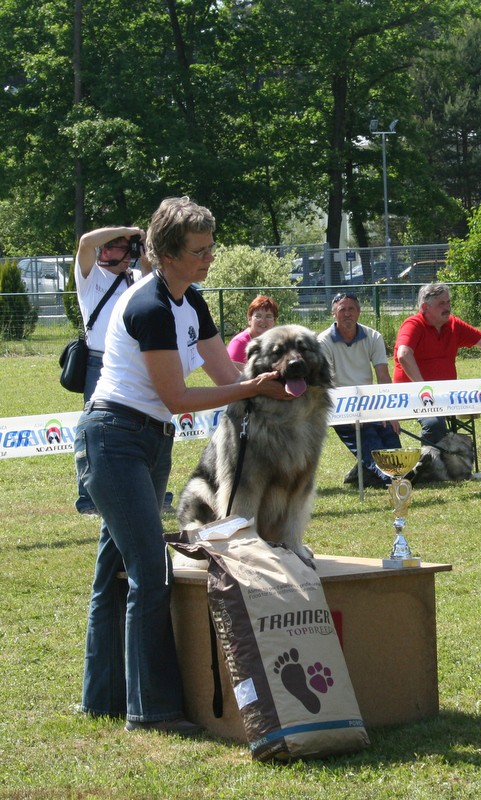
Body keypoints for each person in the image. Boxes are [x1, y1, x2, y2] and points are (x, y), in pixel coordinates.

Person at [74, 196, 295, 736]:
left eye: (210, 248)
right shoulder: (148, 306)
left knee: (114, 574)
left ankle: (100, 699)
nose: (208, 259)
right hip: (113, 440)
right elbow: (176, 395)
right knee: (152, 573)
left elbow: (225, 372)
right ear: (167, 254)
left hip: (148, 445)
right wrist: (251, 387)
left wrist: (273, 378)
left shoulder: (191, 302)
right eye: (198, 251)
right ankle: (151, 711)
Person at [393, 282, 481, 477]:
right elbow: (403, 354)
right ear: (425, 307)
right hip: (413, 396)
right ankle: (431, 471)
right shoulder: (413, 324)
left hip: (450, 395)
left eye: (448, 302)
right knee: (433, 423)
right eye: (441, 303)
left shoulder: (453, 324)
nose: (447, 307)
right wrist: (423, 388)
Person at [73, 226, 152, 515]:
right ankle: (88, 498)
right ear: (104, 250)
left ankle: (146, 489)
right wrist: (129, 230)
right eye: (120, 246)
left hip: (133, 361)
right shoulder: (91, 276)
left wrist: (144, 261)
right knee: (94, 431)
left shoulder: (136, 279)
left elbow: (156, 287)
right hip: (99, 360)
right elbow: (85, 242)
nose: (127, 252)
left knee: (141, 423)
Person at [318, 291, 401, 488]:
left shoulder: (374, 336)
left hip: (372, 404)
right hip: (341, 407)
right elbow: (326, 383)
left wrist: (391, 413)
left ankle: (390, 475)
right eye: (342, 310)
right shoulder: (322, 342)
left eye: (351, 309)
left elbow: (383, 376)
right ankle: (390, 481)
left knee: (390, 436)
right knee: (370, 439)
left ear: (359, 313)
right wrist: (351, 413)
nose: (347, 313)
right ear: (334, 314)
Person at [227, 295, 278, 363]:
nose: (263, 320)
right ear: (249, 319)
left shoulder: (277, 342)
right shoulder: (239, 343)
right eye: (258, 316)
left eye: (268, 316)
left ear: (274, 320)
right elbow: (230, 372)